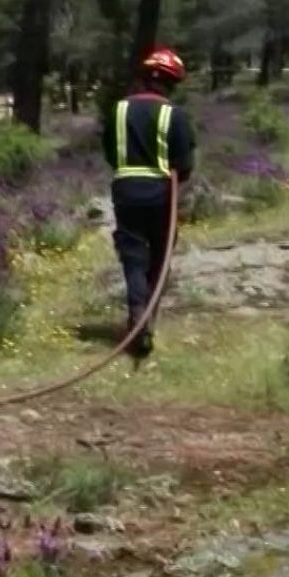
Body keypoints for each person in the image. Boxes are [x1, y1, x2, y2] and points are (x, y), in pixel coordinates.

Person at [101, 45, 196, 360]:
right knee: (159, 255)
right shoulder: (174, 114)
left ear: (143, 79)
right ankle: (147, 320)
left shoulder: (118, 110)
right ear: (171, 84)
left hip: (125, 189)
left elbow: (111, 154)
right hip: (160, 192)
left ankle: (136, 312)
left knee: (132, 255)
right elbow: (184, 164)